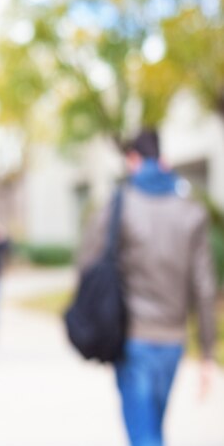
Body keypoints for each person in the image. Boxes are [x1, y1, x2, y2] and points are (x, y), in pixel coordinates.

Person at [78, 129, 218, 446]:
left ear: (133, 160)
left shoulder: (118, 206)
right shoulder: (191, 212)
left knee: (144, 435)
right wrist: (207, 351)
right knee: (152, 429)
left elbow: (87, 263)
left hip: (133, 338)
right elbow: (204, 287)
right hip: (173, 341)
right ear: (164, 161)